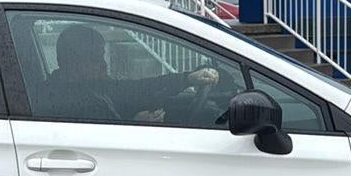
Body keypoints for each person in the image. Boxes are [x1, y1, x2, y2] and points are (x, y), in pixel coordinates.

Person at [39, 24, 220, 123]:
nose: (104, 64)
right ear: (73, 62)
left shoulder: (93, 86)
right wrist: (134, 124)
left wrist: (187, 79)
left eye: (103, 57)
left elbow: (138, 88)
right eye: (96, 58)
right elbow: (95, 140)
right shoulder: (60, 99)